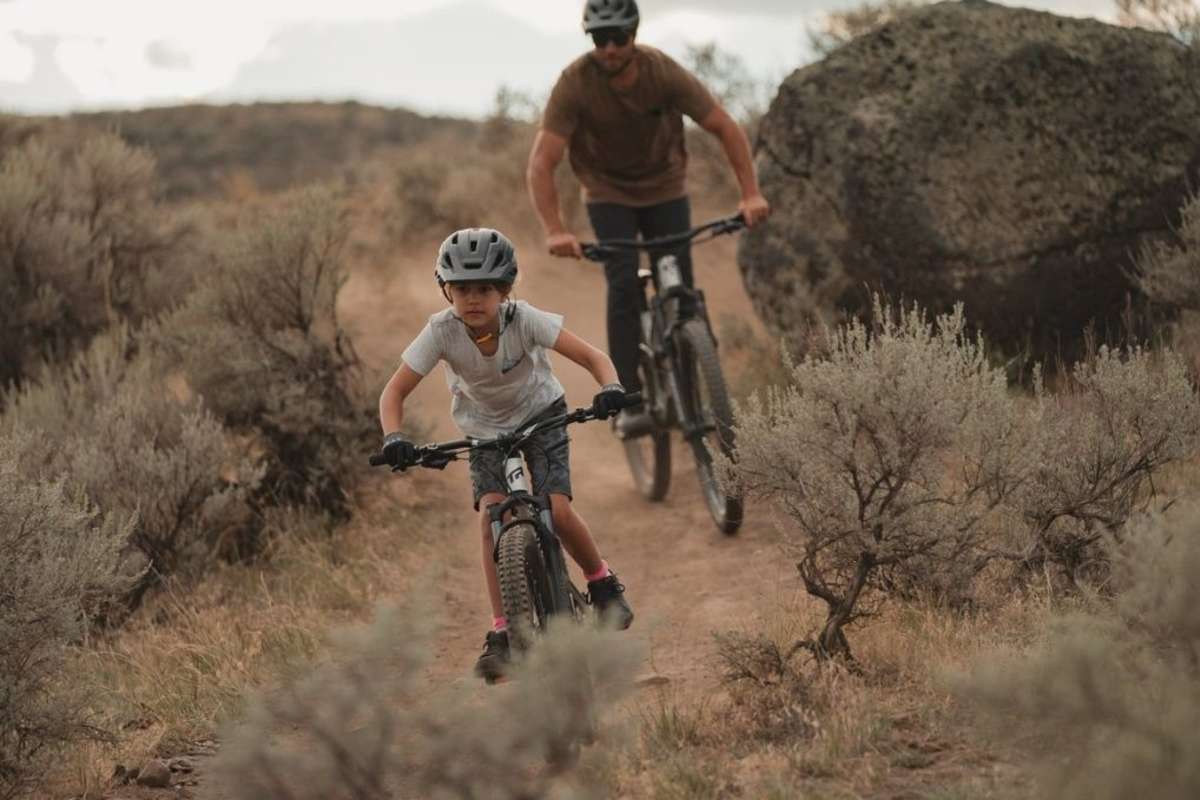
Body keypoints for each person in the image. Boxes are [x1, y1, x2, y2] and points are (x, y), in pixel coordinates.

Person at [378, 227, 635, 682]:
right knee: (490, 516)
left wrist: (610, 387)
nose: (472, 299)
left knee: (557, 506)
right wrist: (394, 436)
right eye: (461, 289)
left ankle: (601, 581)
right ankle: (501, 631)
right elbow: (393, 392)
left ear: (506, 289)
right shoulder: (441, 331)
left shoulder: (526, 319)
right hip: (483, 432)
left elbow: (592, 356)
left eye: (484, 289)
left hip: (542, 416)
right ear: (445, 289)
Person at [527, 0, 771, 438]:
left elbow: (724, 127)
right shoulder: (575, 83)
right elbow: (542, 162)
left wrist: (750, 194)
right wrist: (555, 230)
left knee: (680, 286)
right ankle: (631, 398)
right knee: (623, 285)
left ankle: (699, 381)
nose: (609, 49)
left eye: (617, 37)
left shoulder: (663, 72)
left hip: (666, 188)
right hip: (607, 194)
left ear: (633, 35)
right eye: (599, 39)